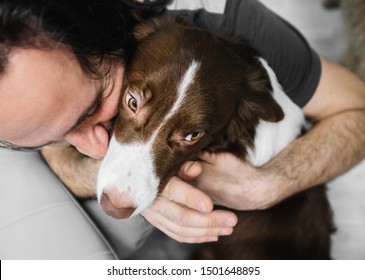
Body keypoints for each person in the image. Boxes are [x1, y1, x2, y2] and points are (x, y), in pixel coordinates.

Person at [1, 0, 365, 259]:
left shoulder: (219, 16)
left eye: (97, 104)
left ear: (121, 35)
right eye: (48, 134)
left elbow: (358, 111)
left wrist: (265, 186)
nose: (96, 148)